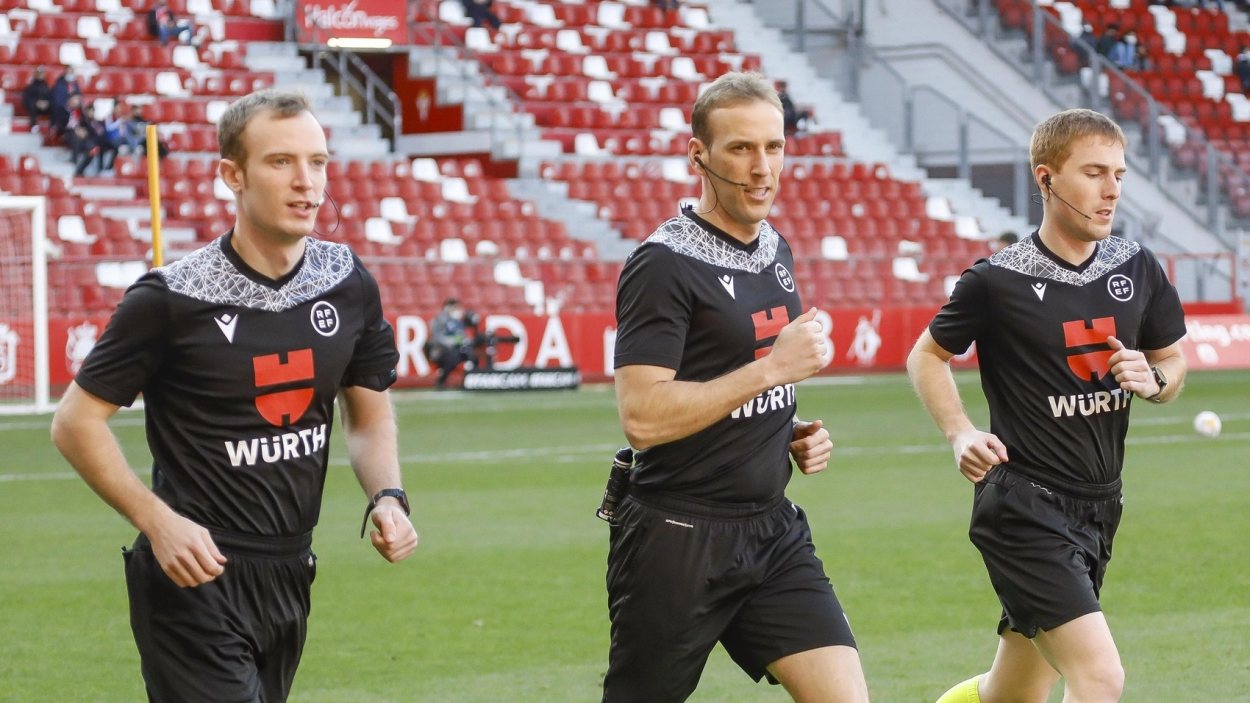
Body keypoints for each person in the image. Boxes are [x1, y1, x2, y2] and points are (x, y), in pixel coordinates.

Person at [50, 89, 417, 703]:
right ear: (232, 175)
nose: (307, 183)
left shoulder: (348, 281)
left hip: (290, 571)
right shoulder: (170, 297)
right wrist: (157, 521)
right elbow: (75, 422)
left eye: (318, 162)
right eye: (281, 162)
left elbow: (368, 415)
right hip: (192, 577)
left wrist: (387, 495)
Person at [606, 71, 869, 703]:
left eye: (773, 147)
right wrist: (773, 372)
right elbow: (641, 417)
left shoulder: (775, 248)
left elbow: (741, 379)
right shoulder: (662, 263)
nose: (762, 169)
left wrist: (786, 430)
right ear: (697, 154)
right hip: (678, 539)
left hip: (772, 531)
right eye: (740, 148)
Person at [908, 109, 1187, 703]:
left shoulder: (1137, 268)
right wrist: (959, 431)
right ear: (1047, 178)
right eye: (1093, 172)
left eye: (1119, 173)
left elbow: (1174, 363)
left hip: (1099, 507)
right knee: (1099, 676)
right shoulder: (996, 280)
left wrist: (1154, 377)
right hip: (1023, 506)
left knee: (1016, 691)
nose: (1111, 189)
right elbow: (926, 356)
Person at [426, 298, 469, 388]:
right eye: (455, 308)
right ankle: (441, 381)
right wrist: (452, 342)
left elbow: (462, 335)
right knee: (452, 358)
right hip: (440, 351)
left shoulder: (457, 321)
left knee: (470, 354)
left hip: (456, 350)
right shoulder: (439, 320)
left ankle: (470, 380)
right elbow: (436, 338)